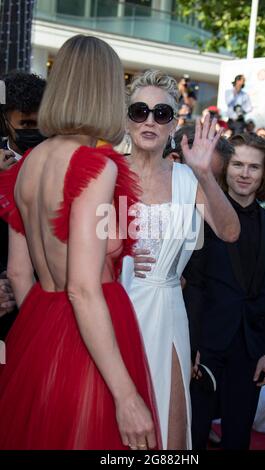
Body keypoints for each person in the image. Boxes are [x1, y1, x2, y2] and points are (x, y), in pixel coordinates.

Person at [0, 35, 160, 450]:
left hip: (38, 327)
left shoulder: (27, 165)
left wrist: (44, 332)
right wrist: (126, 396)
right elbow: (83, 288)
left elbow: (19, 272)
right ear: (105, 91)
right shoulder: (93, 165)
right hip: (90, 333)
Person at [121, 70, 240, 449]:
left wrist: (205, 175)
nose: (150, 120)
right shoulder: (106, 171)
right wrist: (116, 259)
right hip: (113, 307)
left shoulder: (189, 179)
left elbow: (229, 231)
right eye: (140, 111)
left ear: (174, 123)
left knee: (169, 432)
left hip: (168, 311)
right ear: (126, 117)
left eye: (162, 113)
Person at [183, 132, 265, 449]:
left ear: (264, 172)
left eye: (254, 167)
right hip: (206, 345)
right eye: (238, 164)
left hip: (250, 349)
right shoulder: (201, 216)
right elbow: (193, 283)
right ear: (225, 168)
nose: (245, 173)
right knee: (194, 432)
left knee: (238, 437)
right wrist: (191, 344)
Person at [0, 72, 46, 337]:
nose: (35, 133)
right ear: (6, 121)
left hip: (42, 302)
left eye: (41, 125)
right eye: (26, 125)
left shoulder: (61, 163)